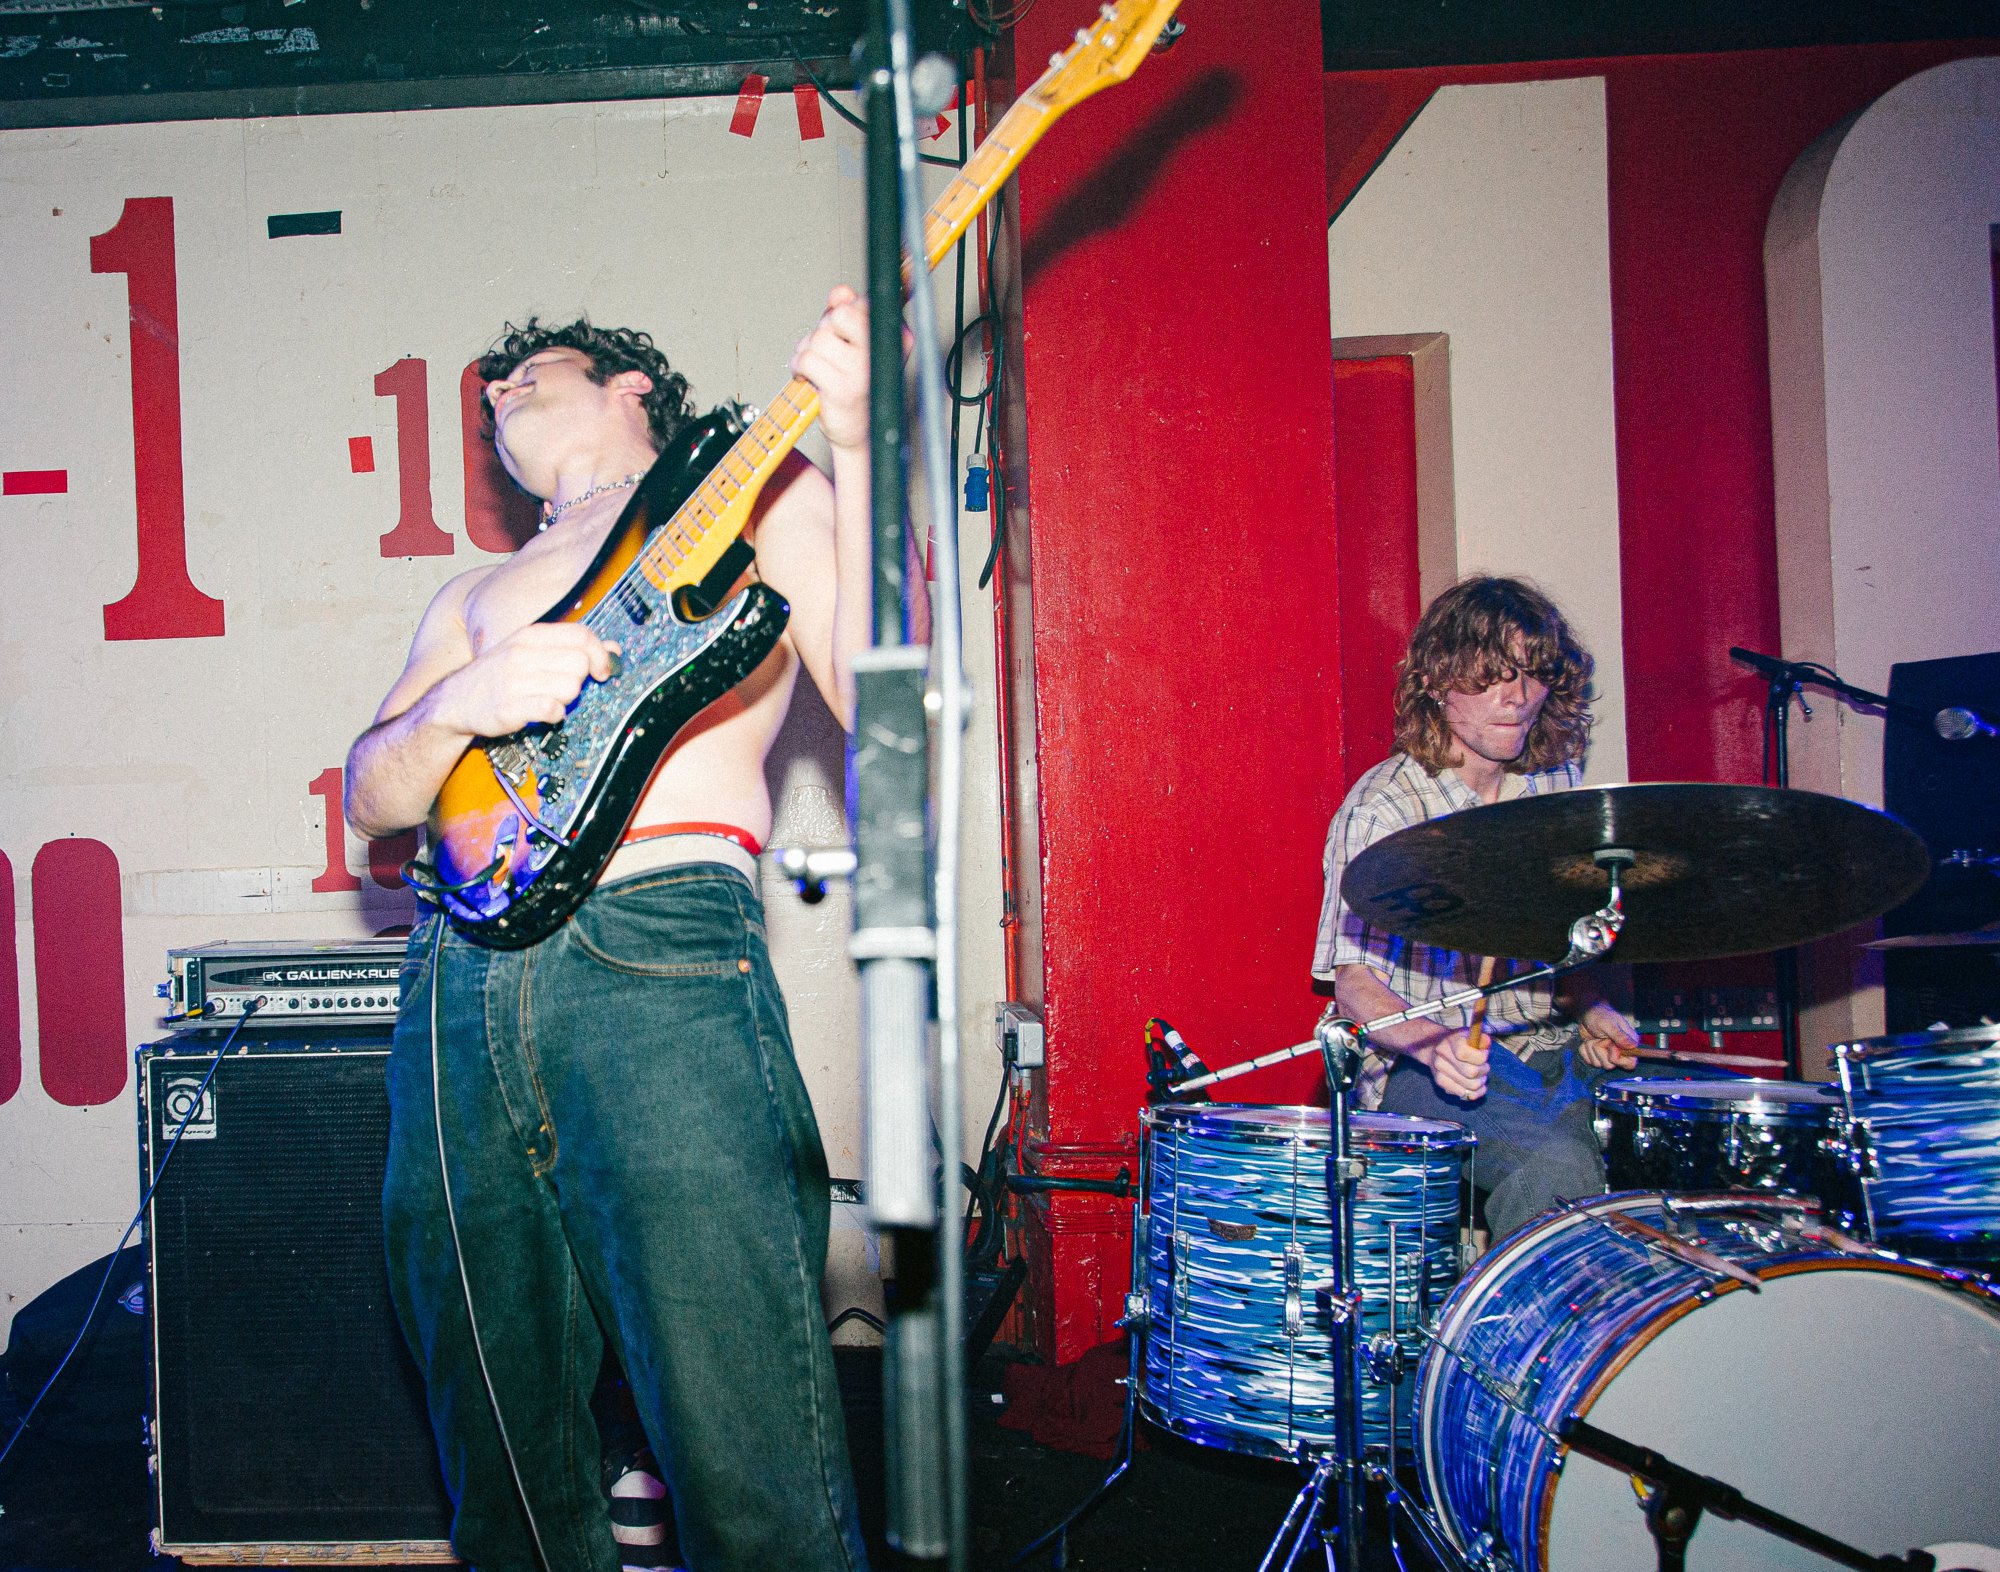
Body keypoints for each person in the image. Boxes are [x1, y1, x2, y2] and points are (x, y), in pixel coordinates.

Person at [344, 289, 875, 1572]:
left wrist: (853, 449)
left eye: (531, 369)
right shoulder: (469, 593)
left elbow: (889, 703)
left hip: (657, 939)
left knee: (739, 1419)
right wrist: (460, 704)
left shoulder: (750, 494)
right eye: (487, 392)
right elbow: (372, 796)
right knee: (497, 1433)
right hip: (455, 979)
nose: (498, 391)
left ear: (634, 386)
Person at [1313, 575, 1640, 1244]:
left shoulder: (1553, 784)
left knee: (1666, 1140)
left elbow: (1576, 941)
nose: (1518, 698)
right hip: (1422, 1065)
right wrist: (1432, 1047)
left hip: (1548, 1048)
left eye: (1532, 674)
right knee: (1555, 1168)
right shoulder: (1387, 809)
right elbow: (1351, 984)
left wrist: (1599, 1006)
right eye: (1492, 677)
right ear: (1436, 682)